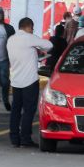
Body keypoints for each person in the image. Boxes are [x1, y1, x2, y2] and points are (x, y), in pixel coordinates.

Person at [7, 17, 53, 148]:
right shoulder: (29, 37)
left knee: (16, 110)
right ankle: (25, 137)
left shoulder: (11, 40)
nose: (32, 30)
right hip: (29, 81)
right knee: (29, 111)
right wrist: (35, 41)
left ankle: (14, 138)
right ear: (28, 27)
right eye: (32, 28)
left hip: (16, 81)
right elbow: (49, 45)